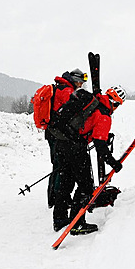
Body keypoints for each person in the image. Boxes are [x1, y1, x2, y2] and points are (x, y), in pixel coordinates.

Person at [50, 84, 125, 235]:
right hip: (75, 148)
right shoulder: (104, 115)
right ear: (115, 103)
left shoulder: (93, 101)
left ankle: (59, 219)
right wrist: (114, 163)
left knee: (66, 181)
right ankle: (77, 224)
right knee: (85, 186)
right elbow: (100, 146)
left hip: (61, 141)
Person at [44, 68, 87, 207]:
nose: (81, 85)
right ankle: (57, 199)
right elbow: (71, 112)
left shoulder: (60, 87)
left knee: (57, 166)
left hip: (53, 132)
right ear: (75, 80)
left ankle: (53, 198)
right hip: (58, 134)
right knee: (60, 167)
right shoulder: (67, 91)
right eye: (80, 82)